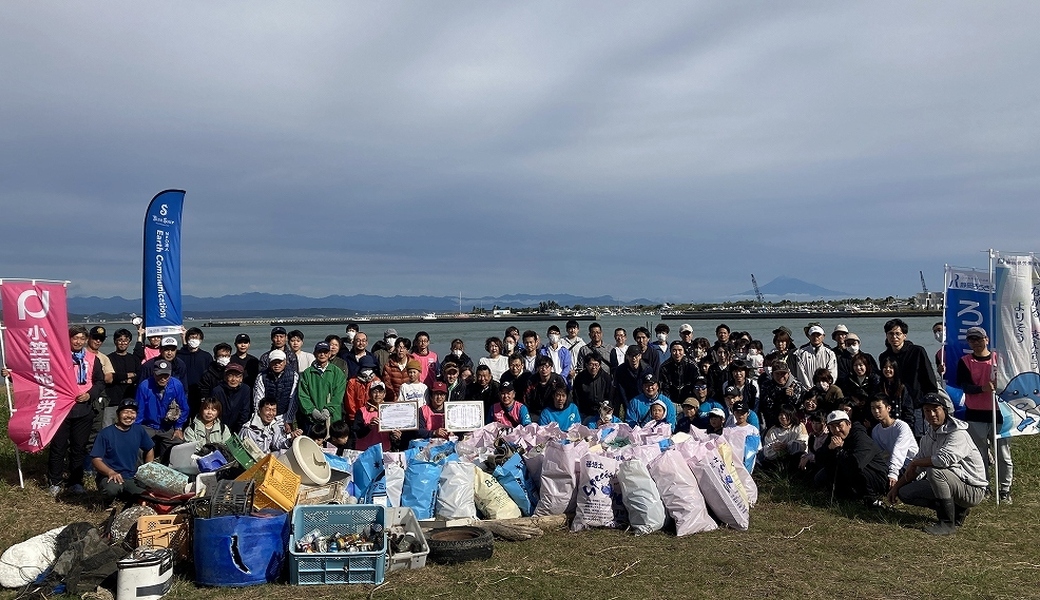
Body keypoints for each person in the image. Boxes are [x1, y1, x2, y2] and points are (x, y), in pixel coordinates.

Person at [888, 392, 987, 534]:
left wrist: (915, 463)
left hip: (972, 489)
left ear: (944, 411)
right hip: (952, 483)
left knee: (935, 471)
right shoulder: (928, 436)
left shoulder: (958, 433)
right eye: (927, 411)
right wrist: (895, 488)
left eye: (936, 409)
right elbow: (917, 468)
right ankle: (957, 511)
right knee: (905, 493)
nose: (932, 414)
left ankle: (947, 523)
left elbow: (942, 460)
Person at [43, 326, 105, 496]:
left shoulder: (92, 359)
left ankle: (76, 482)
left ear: (86, 340)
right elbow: (39, 375)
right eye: (75, 338)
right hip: (61, 409)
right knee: (58, 447)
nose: (78, 342)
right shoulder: (57, 358)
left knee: (79, 447)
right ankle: (55, 481)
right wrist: (12, 374)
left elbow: (100, 382)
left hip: (84, 409)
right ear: (68, 339)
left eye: (82, 338)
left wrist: (89, 395)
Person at [956, 326, 1013, 503]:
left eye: (979, 339)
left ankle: (1004, 489)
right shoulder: (965, 361)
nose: (976, 343)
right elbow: (965, 387)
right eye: (972, 340)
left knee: (1003, 454)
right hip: (976, 414)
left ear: (986, 339)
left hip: (1000, 413)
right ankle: (984, 485)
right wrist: (983, 388)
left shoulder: (999, 359)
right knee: (979, 454)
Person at [813, 410, 889, 504]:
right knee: (821, 477)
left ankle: (871, 498)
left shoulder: (860, 437)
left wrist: (839, 450)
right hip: (850, 470)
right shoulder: (833, 437)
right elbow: (819, 459)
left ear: (849, 424)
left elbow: (855, 464)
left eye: (840, 425)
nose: (836, 430)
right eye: (832, 427)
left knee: (856, 472)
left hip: (874, 475)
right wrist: (829, 449)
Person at [878, 318, 939, 431]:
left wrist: (930, 400)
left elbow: (929, 377)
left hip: (917, 403)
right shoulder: (884, 356)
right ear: (886, 336)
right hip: (894, 404)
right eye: (890, 334)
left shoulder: (917, 351)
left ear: (904, 335)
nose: (894, 337)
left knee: (918, 436)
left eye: (898, 334)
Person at [90, 398, 154, 504]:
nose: (129, 416)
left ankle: (126, 495)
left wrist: (147, 469)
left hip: (132, 476)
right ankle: (107, 502)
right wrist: (110, 472)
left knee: (147, 497)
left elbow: (149, 448)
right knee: (111, 490)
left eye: (132, 412)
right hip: (110, 476)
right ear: (118, 414)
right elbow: (96, 459)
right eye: (125, 412)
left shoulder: (139, 430)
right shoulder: (105, 433)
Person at [134, 359, 189, 461]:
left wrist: (178, 427)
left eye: (166, 375)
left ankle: (167, 468)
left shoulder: (177, 385)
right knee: (135, 444)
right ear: (154, 373)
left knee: (178, 444)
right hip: (148, 425)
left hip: (167, 426)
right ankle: (139, 471)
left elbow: (184, 408)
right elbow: (139, 411)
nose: (163, 379)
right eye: (159, 375)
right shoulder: (144, 386)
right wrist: (135, 430)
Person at [869, 395, 919, 490]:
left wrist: (893, 473)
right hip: (891, 465)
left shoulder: (901, 426)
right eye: (873, 408)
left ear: (888, 408)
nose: (876, 412)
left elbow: (898, 451)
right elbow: (880, 454)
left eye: (879, 408)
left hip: (909, 464)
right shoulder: (876, 430)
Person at [297, 341, 347, 435]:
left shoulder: (337, 372)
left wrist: (328, 409)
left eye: (325, 352)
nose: (322, 354)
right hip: (312, 420)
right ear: (315, 354)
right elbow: (303, 395)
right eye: (320, 352)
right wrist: (312, 410)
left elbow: (338, 395)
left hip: (332, 418)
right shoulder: (307, 373)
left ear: (329, 354)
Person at [252, 348, 299, 427]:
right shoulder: (261, 376)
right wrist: (260, 418)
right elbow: (258, 399)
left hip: (284, 415)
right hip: (266, 415)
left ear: (285, 362)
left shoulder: (294, 375)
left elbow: (293, 399)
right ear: (270, 363)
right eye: (274, 362)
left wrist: (289, 420)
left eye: (280, 362)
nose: (277, 364)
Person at [105, 328, 140, 427]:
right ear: (115, 341)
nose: (123, 343)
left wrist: (130, 378)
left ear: (129, 342)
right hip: (112, 401)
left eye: (125, 341)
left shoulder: (133, 359)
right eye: (120, 340)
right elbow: (109, 377)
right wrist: (128, 375)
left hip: (129, 400)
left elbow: (139, 374)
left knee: (128, 427)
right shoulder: (108, 358)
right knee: (108, 428)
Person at [353, 381, 402, 451]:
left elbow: (392, 433)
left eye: (380, 392)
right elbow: (358, 433)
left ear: (384, 394)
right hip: (365, 451)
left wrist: (395, 436)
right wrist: (369, 427)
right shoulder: (361, 411)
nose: (377, 395)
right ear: (369, 394)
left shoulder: (390, 410)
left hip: (384, 451)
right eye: (375, 392)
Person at [178, 327, 214, 416]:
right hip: (183, 392)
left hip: (200, 393)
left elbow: (210, 376)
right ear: (187, 339)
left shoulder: (206, 356)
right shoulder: (179, 355)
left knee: (200, 418)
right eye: (191, 338)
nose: (194, 340)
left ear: (201, 340)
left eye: (196, 338)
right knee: (183, 418)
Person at [759, 360, 805, 429]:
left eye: (783, 373)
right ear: (772, 374)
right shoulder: (767, 385)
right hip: (773, 421)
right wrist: (782, 396)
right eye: (777, 374)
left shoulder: (796, 385)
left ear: (788, 374)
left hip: (792, 422)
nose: (780, 376)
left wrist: (791, 398)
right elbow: (768, 406)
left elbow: (798, 407)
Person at [760, 404, 809, 470]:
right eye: (780, 414)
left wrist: (787, 446)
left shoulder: (799, 427)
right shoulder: (772, 430)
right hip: (777, 460)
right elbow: (766, 451)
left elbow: (803, 445)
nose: (783, 417)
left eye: (786, 414)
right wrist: (774, 448)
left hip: (794, 459)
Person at [211, 362, 253, 434]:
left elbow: (245, 412)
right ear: (225, 377)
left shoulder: (246, 389)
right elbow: (214, 412)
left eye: (237, 376)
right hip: (219, 427)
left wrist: (239, 430)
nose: (234, 379)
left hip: (238, 428)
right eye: (230, 376)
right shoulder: (217, 391)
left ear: (241, 378)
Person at [523, 355, 568, 419]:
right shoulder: (532, 380)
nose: (544, 369)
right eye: (541, 366)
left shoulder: (558, 379)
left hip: (553, 411)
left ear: (551, 367)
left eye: (547, 367)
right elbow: (526, 399)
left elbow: (565, 395)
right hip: (535, 413)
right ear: (538, 368)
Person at [795, 324, 838, 389]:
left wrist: (826, 386)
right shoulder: (800, 353)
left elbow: (832, 373)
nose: (815, 337)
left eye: (818, 335)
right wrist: (809, 389)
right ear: (809, 336)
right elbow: (801, 374)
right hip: (807, 391)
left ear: (823, 336)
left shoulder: (830, 353)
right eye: (813, 335)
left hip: (825, 389)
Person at [722, 401, 760, 473]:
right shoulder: (728, 429)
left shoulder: (753, 430)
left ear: (748, 413)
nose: (740, 415)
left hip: (746, 466)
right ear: (733, 413)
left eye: (743, 413)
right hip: (731, 465)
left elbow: (756, 449)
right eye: (737, 413)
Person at [573, 353, 614, 418]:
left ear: (600, 365)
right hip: (584, 412)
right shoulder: (580, 378)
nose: (594, 367)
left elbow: (610, 396)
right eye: (591, 364)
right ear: (586, 365)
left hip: (602, 412)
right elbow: (576, 397)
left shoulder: (606, 378)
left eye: (596, 364)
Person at [659, 340, 698, 404]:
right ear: (670, 351)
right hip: (671, 401)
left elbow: (696, 384)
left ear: (684, 351)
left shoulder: (692, 365)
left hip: (689, 400)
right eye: (674, 350)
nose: (677, 353)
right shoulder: (664, 367)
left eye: (680, 350)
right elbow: (663, 388)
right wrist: (668, 403)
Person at [345, 355, 382, 422]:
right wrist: (354, 416)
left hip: (372, 415)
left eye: (370, 368)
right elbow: (350, 401)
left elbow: (379, 399)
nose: (367, 370)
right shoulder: (352, 381)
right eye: (365, 368)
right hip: (356, 416)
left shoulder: (377, 381)